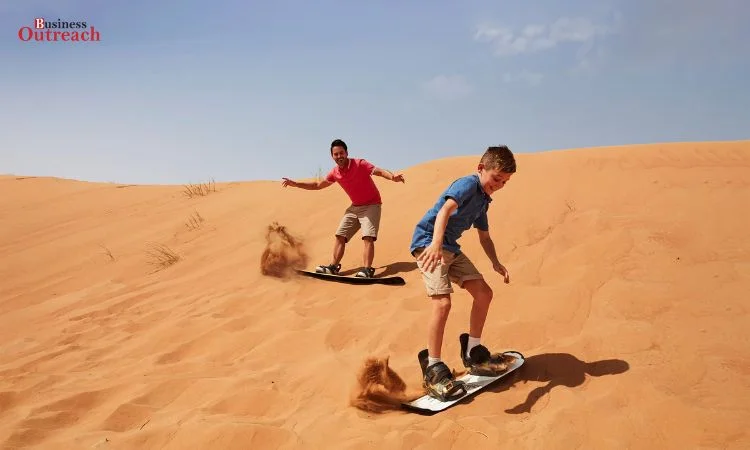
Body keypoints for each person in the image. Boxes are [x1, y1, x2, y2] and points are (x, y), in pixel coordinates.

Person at [408, 145, 517, 401]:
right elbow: (445, 210)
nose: (499, 184)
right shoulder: (468, 184)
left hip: (449, 249)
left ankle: (473, 351)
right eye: (496, 178)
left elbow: (485, 237)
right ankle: (433, 368)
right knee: (442, 303)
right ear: (481, 169)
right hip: (427, 244)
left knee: (484, 293)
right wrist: (435, 243)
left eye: (505, 181)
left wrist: (495, 262)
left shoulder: (483, 201)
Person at [282, 138, 405, 278]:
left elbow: (379, 171)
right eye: (336, 154)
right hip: (355, 207)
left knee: (368, 236)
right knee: (340, 235)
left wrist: (392, 176)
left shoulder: (360, 164)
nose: (339, 156)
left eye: (341, 153)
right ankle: (333, 267)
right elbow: (317, 185)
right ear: (332, 156)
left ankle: (367, 269)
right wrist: (296, 184)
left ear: (346, 153)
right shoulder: (335, 172)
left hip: (372, 205)